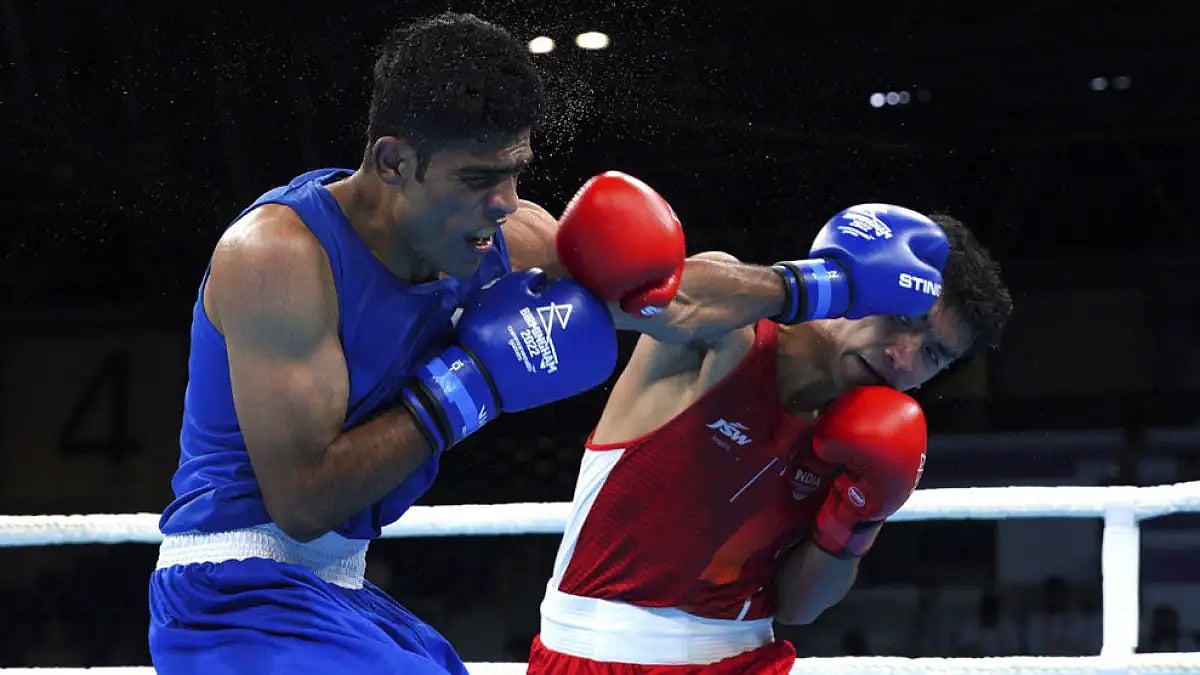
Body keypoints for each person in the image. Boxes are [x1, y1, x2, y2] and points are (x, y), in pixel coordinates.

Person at [147, 13, 688, 675]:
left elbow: (670, 299)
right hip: (232, 595)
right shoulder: (280, 256)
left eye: (514, 172)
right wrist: (471, 383)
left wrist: (814, 288)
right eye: (477, 178)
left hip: (339, 593)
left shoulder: (504, 243)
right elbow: (304, 500)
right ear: (394, 161)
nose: (505, 202)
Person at [526, 186, 1014, 673]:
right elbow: (647, 297)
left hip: (748, 658)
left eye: (932, 354)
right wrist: (823, 285)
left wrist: (859, 518)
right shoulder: (731, 334)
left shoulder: (868, 442)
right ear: (866, 283)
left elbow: (799, 607)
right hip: (597, 655)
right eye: (899, 318)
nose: (902, 356)